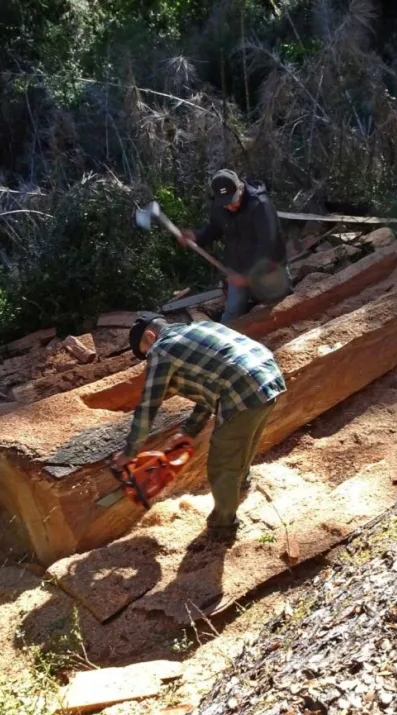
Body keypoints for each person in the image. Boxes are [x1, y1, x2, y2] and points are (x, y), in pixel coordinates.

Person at [112, 313, 286, 541]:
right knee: (243, 443)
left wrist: (129, 453)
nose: (148, 358)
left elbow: (148, 406)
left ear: (150, 335)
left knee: (222, 462)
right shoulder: (200, 328)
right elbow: (210, 386)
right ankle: (242, 485)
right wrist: (188, 432)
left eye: (145, 352)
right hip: (268, 376)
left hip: (242, 387)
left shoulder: (161, 349)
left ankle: (222, 528)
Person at [178, 169, 291, 324]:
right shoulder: (220, 205)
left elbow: (268, 244)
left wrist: (248, 276)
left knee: (282, 308)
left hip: (269, 270)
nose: (229, 206)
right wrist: (197, 236)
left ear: (240, 188)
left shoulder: (260, 205)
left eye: (233, 200)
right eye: (225, 203)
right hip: (238, 270)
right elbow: (216, 228)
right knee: (232, 314)